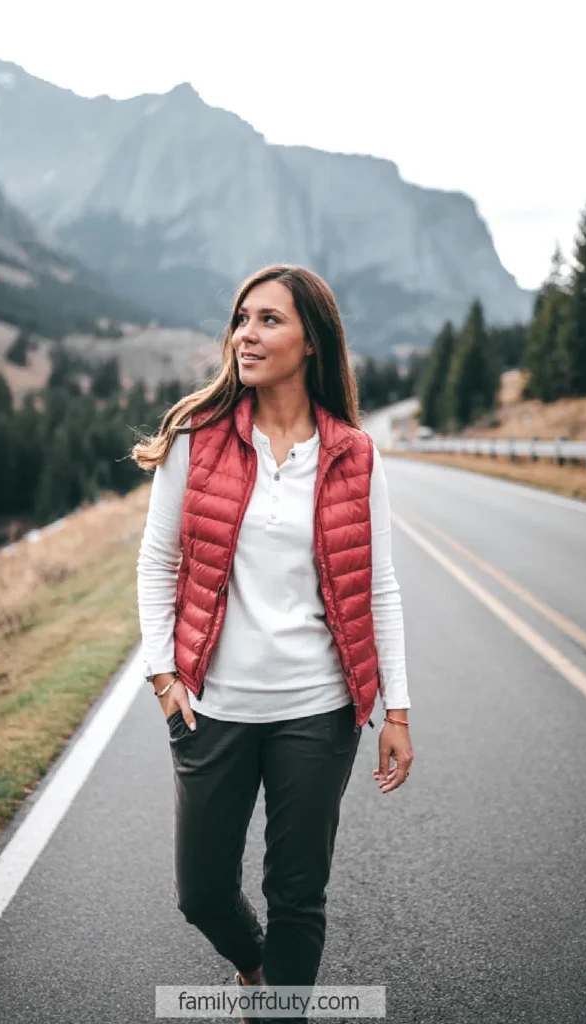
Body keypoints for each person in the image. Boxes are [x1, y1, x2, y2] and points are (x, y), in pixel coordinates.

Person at [132, 264, 413, 1021]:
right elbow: (157, 562)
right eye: (241, 319)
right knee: (201, 894)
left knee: (297, 895)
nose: (245, 336)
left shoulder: (353, 453)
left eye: (268, 321)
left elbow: (377, 586)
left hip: (318, 711)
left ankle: (280, 1007)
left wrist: (396, 711)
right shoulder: (198, 437)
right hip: (211, 705)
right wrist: (164, 677)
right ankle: (257, 972)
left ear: (311, 341)